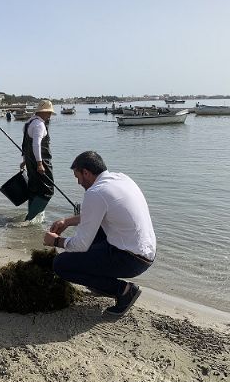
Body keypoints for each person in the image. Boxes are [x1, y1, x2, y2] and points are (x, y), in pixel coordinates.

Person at [44, 151, 156, 316]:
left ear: (86, 173)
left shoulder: (94, 193)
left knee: (60, 265)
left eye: (78, 177)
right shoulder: (121, 178)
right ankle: (100, 282)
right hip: (146, 252)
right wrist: (67, 221)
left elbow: (81, 245)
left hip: (131, 260)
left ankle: (124, 291)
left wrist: (56, 241)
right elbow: (97, 213)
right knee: (92, 234)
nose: (78, 182)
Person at [20, 99, 55, 221]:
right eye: (48, 113)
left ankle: (34, 216)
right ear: (42, 112)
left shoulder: (28, 123)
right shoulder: (39, 125)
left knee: (34, 189)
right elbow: (36, 145)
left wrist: (25, 159)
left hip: (30, 161)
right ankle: (30, 218)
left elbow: (25, 144)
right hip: (42, 161)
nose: (50, 115)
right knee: (48, 190)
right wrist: (40, 164)